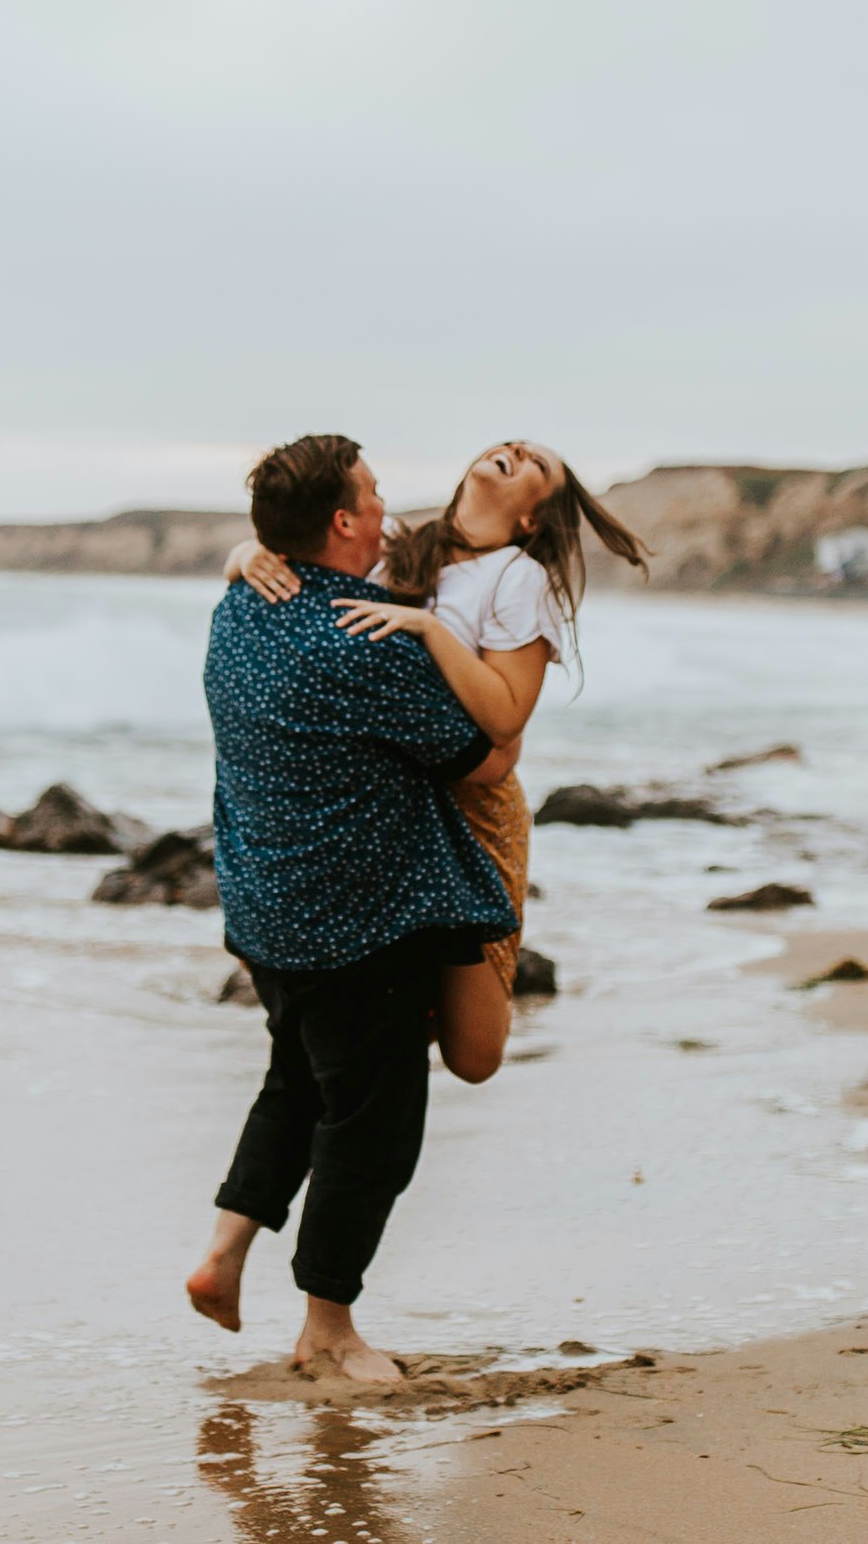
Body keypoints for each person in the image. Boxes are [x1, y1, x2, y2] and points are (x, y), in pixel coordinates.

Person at [186, 434, 521, 1382]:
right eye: (371, 495)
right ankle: (327, 1329)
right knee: (373, 1125)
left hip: (266, 909)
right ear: (341, 521)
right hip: (359, 920)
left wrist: (245, 554)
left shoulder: (239, 606)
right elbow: (485, 756)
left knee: (298, 1080)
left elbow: (294, 558)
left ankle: (222, 1256)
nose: (386, 506)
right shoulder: (365, 637)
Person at [227, 440, 648, 1083]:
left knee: (472, 1055)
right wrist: (246, 555)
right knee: (374, 1023)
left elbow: (505, 718)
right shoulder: (402, 543)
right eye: (511, 442)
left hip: (476, 811)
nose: (514, 450)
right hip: (392, 800)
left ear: (532, 519)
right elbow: (310, 547)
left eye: (536, 464)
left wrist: (431, 630)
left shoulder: (516, 577)